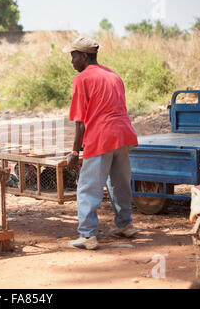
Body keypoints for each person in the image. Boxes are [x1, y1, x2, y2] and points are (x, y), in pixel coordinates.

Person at [64, 36, 139, 250]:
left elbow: (80, 123)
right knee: (119, 183)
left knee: (88, 186)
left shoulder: (83, 79)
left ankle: (87, 235)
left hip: (102, 136)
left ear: (85, 56)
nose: (72, 61)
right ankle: (125, 225)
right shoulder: (113, 75)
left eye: (74, 56)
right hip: (123, 134)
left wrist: (75, 152)